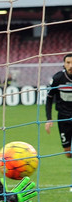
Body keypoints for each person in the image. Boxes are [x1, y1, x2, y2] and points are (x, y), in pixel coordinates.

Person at [46, 53, 72, 191]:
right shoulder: (57, 78)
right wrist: (49, 119)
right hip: (63, 118)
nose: (71, 65)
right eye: (68, 62)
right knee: (68, 153)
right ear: (64, 64)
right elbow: (49, 98)